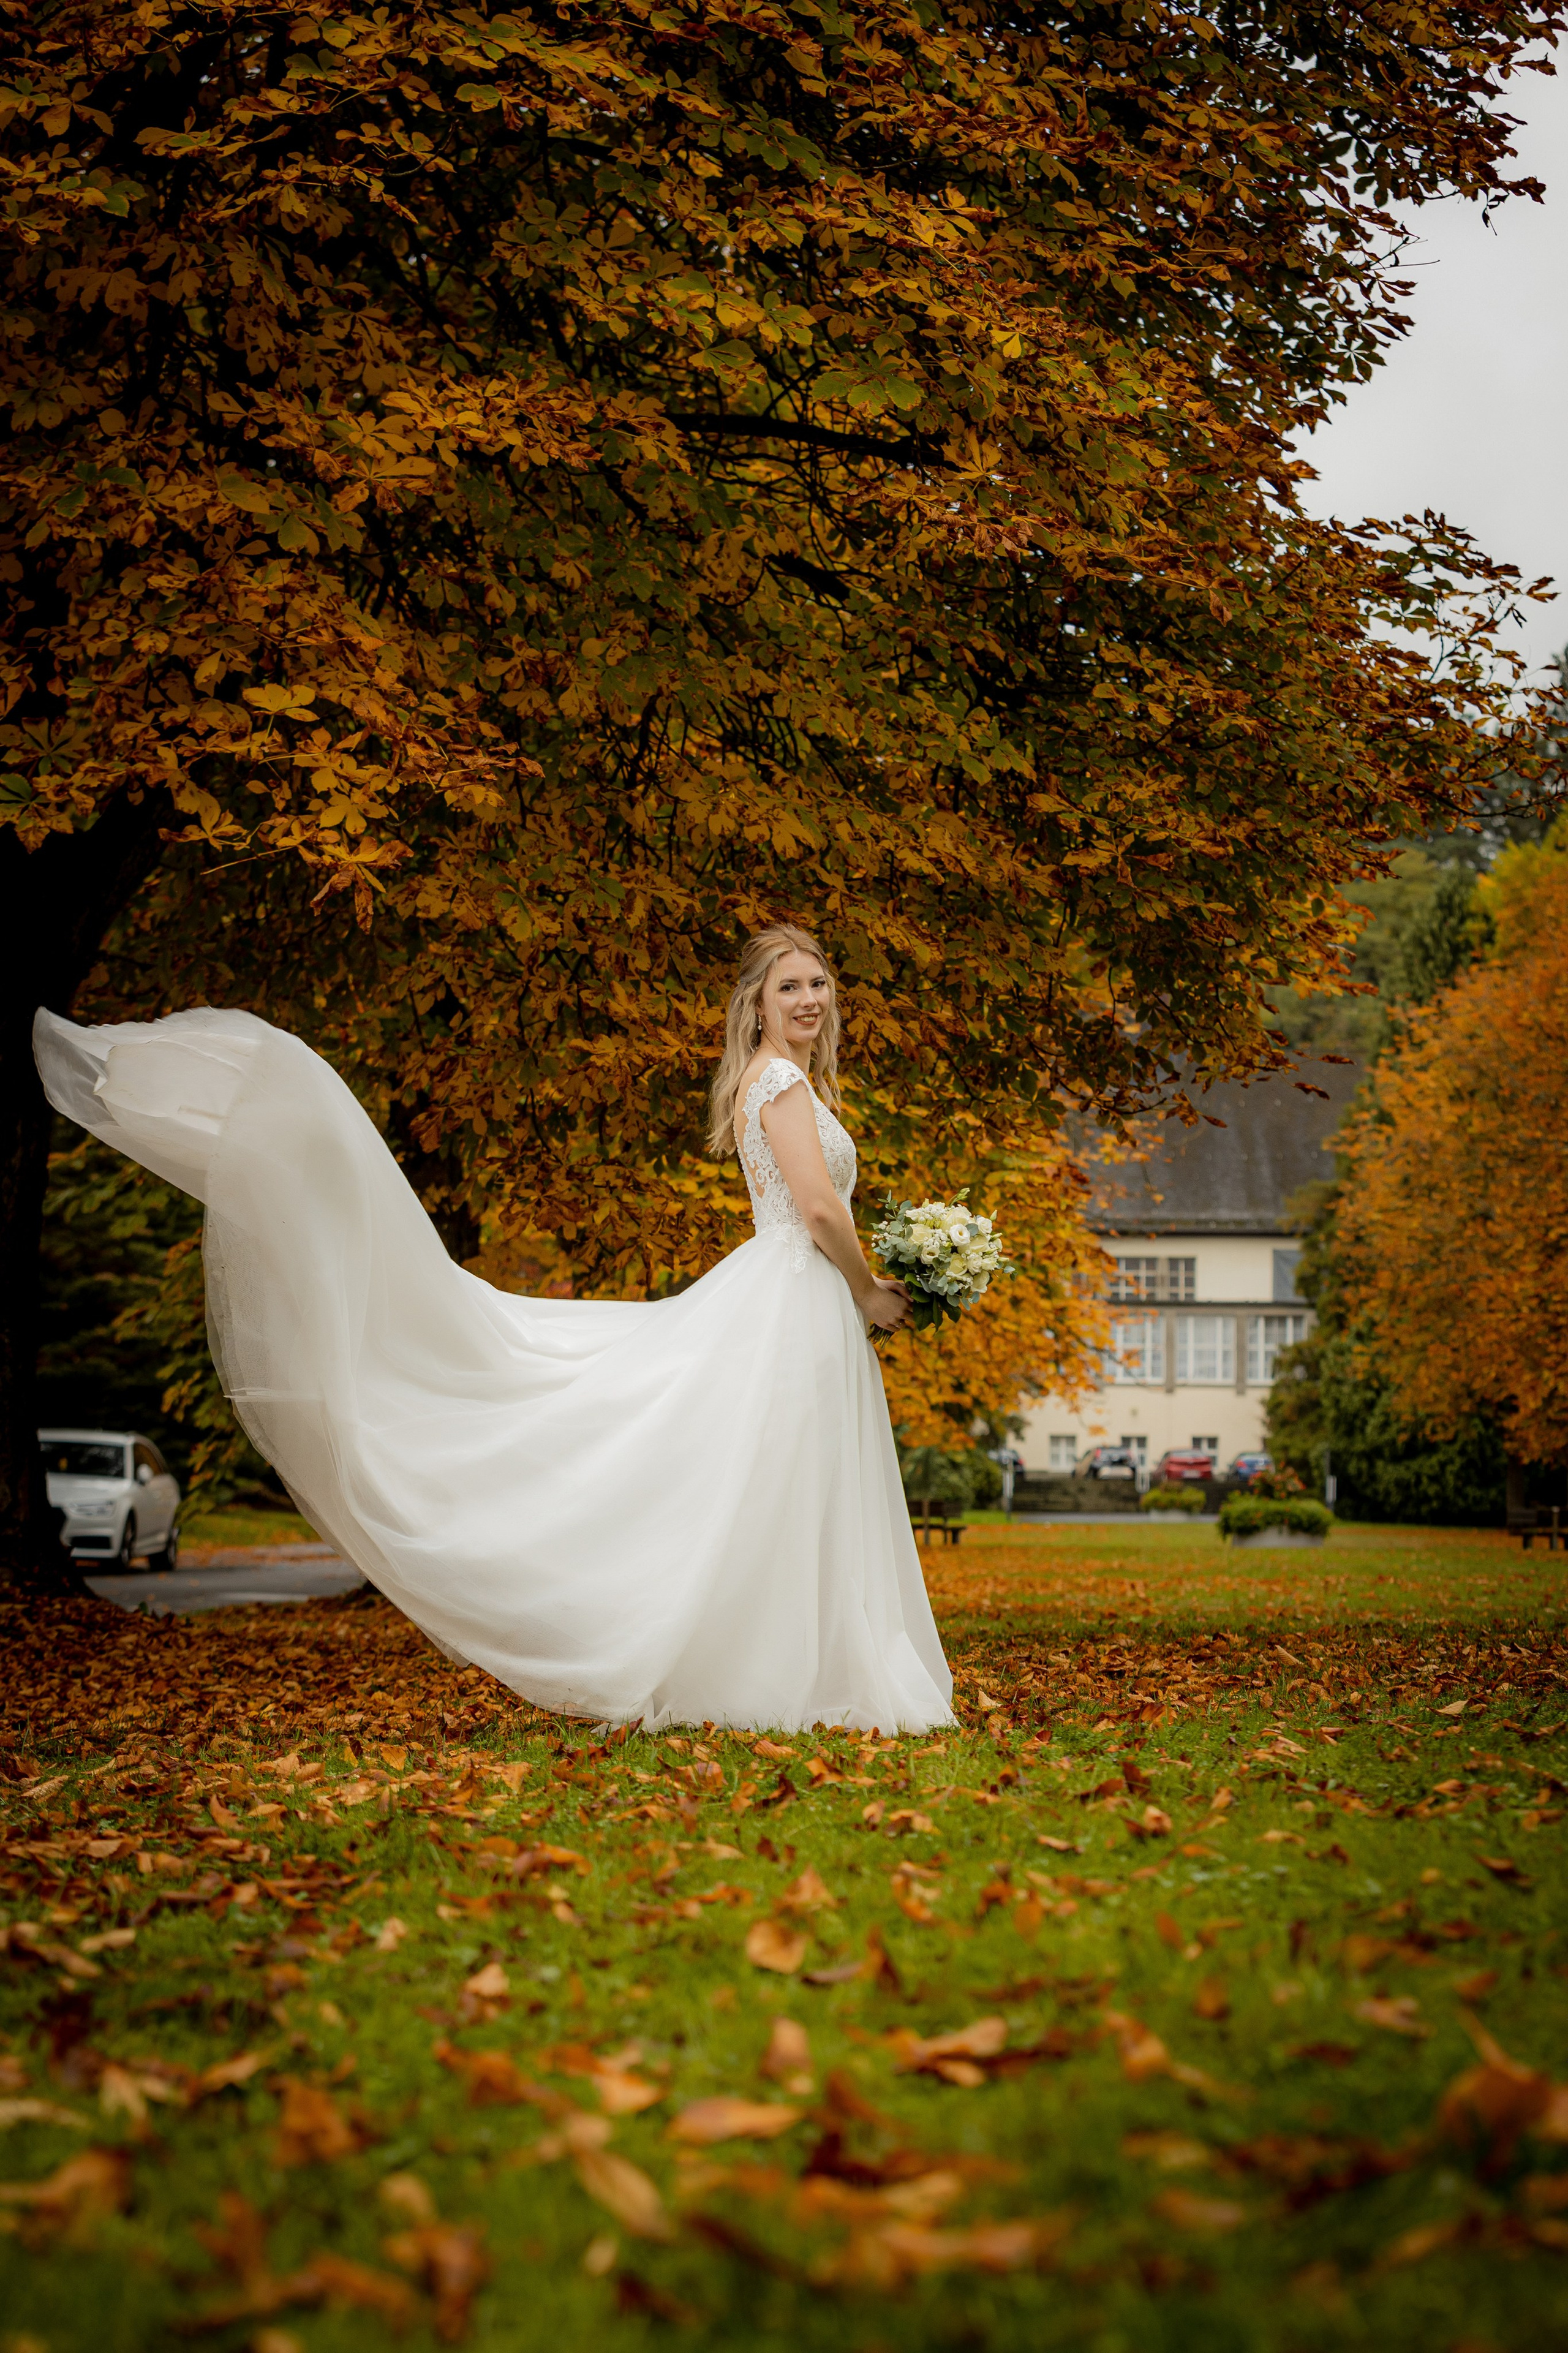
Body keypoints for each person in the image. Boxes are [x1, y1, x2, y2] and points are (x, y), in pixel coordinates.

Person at [32, 923, 955, 1732]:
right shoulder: (782, 1079)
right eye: (787, 985)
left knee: (780, 1485)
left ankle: (795, 1663)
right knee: (774, 1478)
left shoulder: (775, 1078)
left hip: (788, 1294)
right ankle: (801, 1667)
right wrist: (871, 1287)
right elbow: (820, 1209)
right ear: (756, 1004)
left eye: (817, 983)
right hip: (795, 1289)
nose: (807, 997)